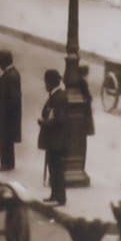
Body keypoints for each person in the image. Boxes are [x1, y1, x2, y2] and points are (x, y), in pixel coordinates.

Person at [38, 69, 69, 206]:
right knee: (53, 167)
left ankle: (60, 197)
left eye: (46, 82)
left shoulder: (59, 98)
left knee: (57, 169)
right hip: (53, 139)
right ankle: (54, 194)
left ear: (50, 82)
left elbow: (60, 120)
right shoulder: (56, 95)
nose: (45, 85)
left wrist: (44, 123)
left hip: (57, 140)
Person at [0, 50, 22, 172]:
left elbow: (12, 97)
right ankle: (8, 162)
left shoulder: (11, 75)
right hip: (6, 114)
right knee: (5, 139)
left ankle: (6, 163)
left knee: (5, 139)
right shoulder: (9, 74)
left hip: (7, 115)